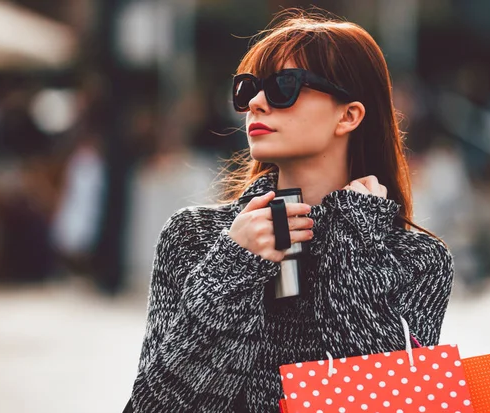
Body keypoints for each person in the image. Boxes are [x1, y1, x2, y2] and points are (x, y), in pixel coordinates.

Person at [125, 9, 454, 413]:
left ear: (348, 115)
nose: (257, 104)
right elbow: (152, 406)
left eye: (285, 86)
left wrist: (353, 242)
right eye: (248, 89)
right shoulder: (194, 236)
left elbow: (389, 399)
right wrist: (234, 265)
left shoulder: (419, 259)